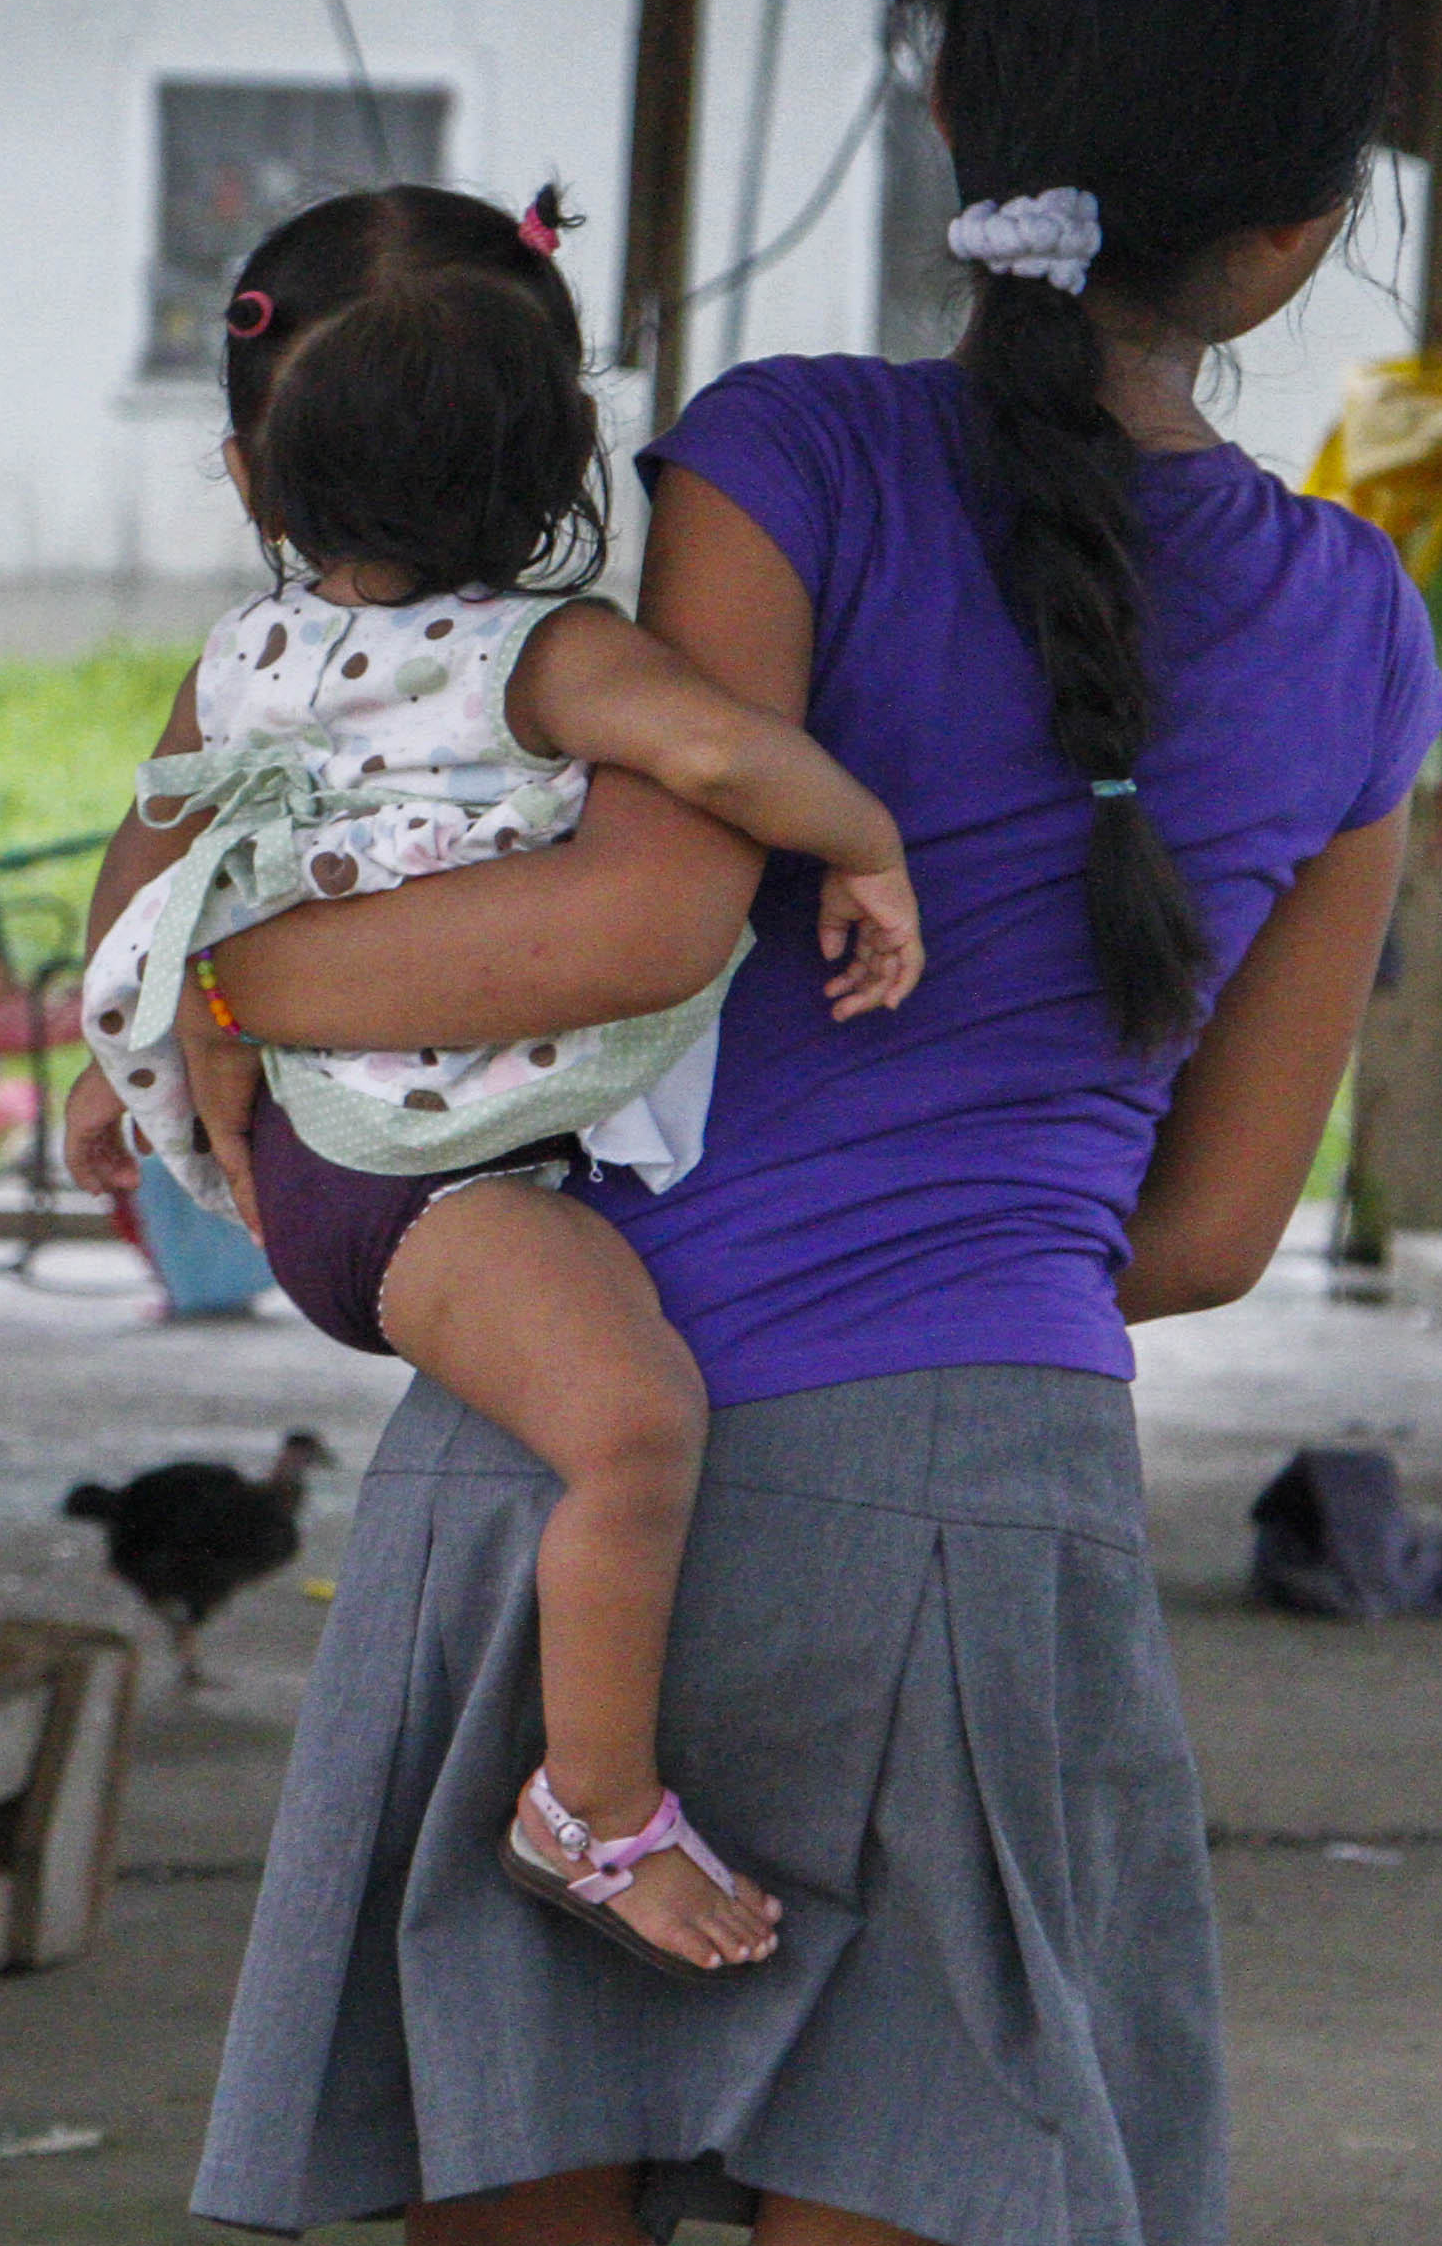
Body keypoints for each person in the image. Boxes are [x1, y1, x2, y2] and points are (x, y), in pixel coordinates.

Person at [99, 0, 1442, 2246]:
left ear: (953, 128)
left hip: (582, 1437)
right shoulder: (1355, 640)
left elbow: (627, 909)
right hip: (986, 1507)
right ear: (1293, 242)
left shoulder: (777, 458)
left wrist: (190, 986)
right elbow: (1192, 1232)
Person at [74, 186, 930, 1980]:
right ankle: (593, 1810)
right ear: (567, 455)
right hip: (420, 1185)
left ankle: (588, 1792)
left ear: (249, 474)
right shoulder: (549, 658)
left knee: (611, 1421)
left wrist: (104, 1053)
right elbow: (717, 749)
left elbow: (147, 847)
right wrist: (861, 839)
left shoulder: (239, 660)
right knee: (634, 1430)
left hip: (330, 1164)